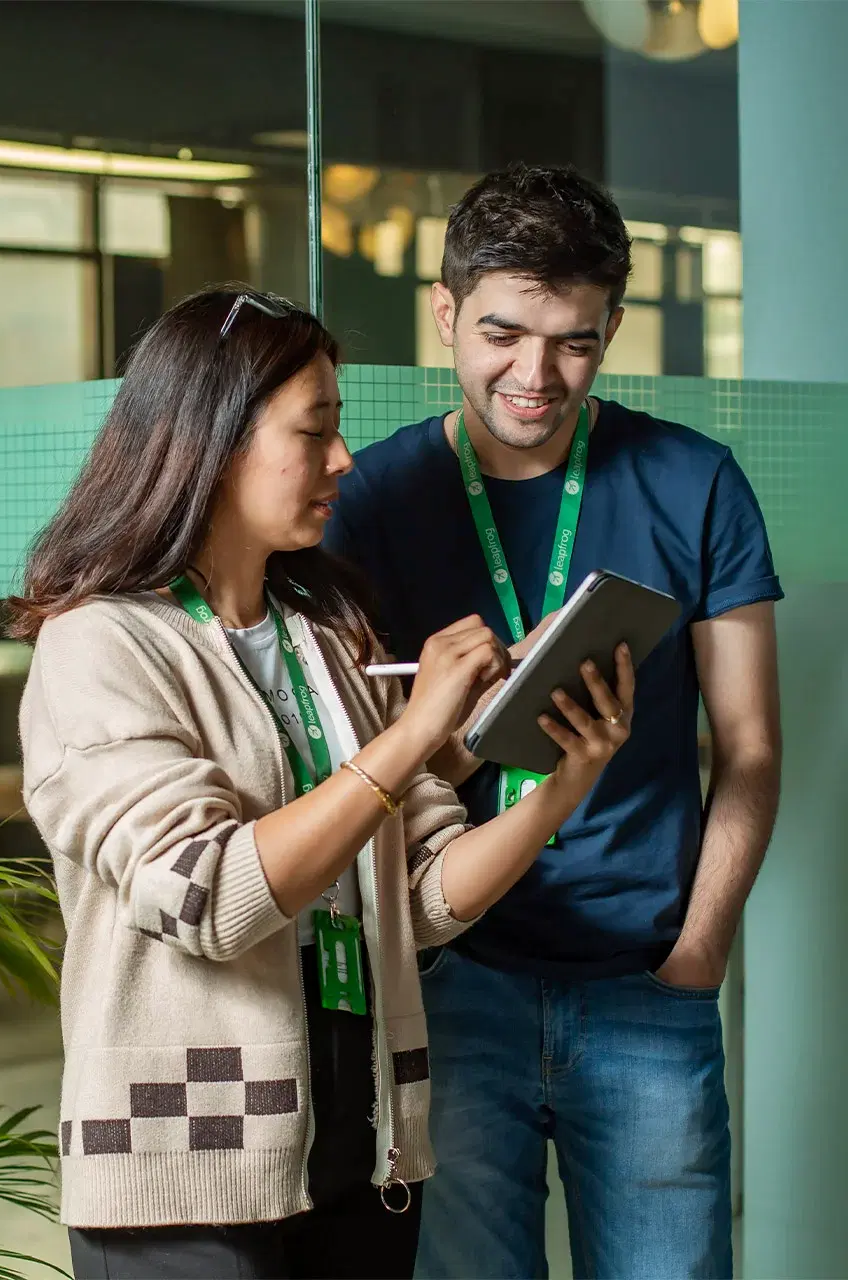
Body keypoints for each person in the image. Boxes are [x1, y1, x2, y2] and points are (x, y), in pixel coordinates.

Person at [7, 286, 634, 1280]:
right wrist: (413, 734)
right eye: (316, 430)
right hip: (188, 1174)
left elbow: (423, 898)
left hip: (361, 1137)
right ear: (209, 443)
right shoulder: (101, 645)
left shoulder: (325, 637)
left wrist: (559, 784)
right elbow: (207, 896)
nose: (343, 459)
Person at [323, 164, 783, 1280]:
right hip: (449, 981)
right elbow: (349, 766)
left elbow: (751, 747)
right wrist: (454, 713)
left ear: (611, 327)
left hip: (645, 983)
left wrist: (697, 949)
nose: (534, 374)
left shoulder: (693, 480)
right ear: (443, 312)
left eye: (573, 341)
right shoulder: (365, 500)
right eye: (500, 332)